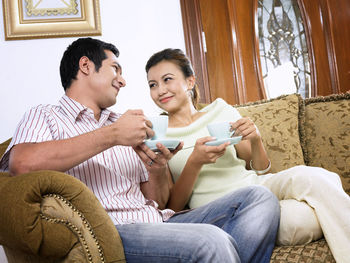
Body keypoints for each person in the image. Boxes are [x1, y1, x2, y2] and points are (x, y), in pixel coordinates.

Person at [0, 38, 280, 263]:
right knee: (211, 240)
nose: (122, 81)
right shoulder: (46, 115)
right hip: (114, 231)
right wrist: (111, 136)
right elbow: (22, 164)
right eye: (115, 69)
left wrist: (156, 167)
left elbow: (158, 202)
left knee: (259, 198)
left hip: (160, 221)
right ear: (86, 65)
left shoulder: (126, 123)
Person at [145, 48, 350, 263]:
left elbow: (261, 170)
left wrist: (255, 140)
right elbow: (173, 209)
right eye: (153, 85)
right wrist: (194, 162)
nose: (160, 90)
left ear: (190, 81)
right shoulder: (158, 135)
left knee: (316, 176)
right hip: (226, 211)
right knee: (302, 218)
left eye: (167, 80)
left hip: (259, 186)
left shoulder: (221, 111)